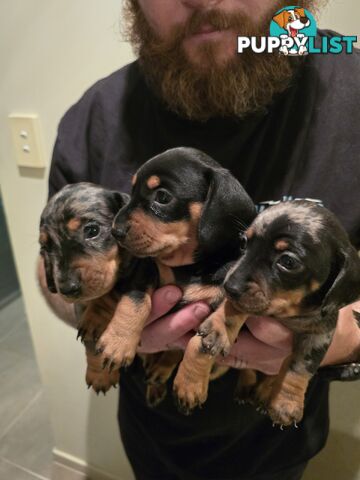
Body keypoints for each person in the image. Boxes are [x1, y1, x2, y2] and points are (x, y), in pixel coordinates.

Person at [38, 0, 360, 478]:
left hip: (280, 445)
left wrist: (345, 337)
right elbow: (53, 275)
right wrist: (98, 309)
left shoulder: (349, 80)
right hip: (150, 433)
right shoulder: (92, 115)